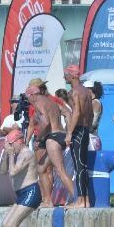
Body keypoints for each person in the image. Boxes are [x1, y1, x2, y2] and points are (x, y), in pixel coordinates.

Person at [25, 78, 70, 207]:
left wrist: (69, 132)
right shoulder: (37, 103)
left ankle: (49, 199)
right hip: (43, 136)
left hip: (49, 136)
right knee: (42, 169)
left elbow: (66, 113)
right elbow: (32, 123)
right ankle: (46, 199)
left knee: (51, 170)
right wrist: (28, 140)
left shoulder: (50, 100)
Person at [1, 130, 41, 227]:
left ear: (18, 142)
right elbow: (3, 171)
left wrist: (11, 153)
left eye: (10, 144)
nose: (10, 147)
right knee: (5, 225)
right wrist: (7, 155)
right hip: (22, 194)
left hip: (31, 192)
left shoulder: (27, 153)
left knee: (12, 225)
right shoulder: (16, 154)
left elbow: (13, 173)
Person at [64, 64, 93, 208]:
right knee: (82, 165)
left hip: (78, 130)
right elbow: (91, 113)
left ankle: (82, 200)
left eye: (66, 74)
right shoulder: (87, 92)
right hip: (85, 129)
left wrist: (69, 132)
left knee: (79, 166)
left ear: (73, 75)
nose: (64, 77)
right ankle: (85, 200)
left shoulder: (75, 91)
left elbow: (77, 112)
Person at [84, 80, 104, 151]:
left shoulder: (95, 102)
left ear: (89, 90)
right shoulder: (92, 102)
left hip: (91, 138)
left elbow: (93, 123)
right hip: (91, 137)